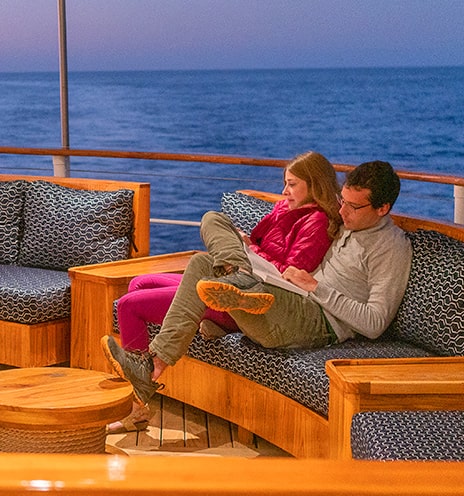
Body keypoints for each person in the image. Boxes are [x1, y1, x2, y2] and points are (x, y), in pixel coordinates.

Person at [102, 160, 412, 413]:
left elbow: (374, 324)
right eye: (342, 201)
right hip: (291, 296)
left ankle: (237, 293)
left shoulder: (391, 248)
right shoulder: (349, 223)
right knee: (201, 261)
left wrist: (316, 287)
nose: (342, 212)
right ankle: (152, 364)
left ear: (382, 208)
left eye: (353, 207)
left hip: (317, 320)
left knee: (207, 276)